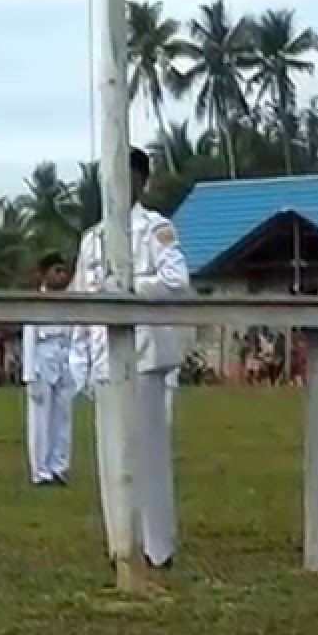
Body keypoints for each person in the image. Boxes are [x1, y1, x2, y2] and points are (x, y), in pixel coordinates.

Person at [69, 147, 189, 569]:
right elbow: (81, 296)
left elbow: (176, 281)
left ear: (141, 182)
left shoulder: (155, 228)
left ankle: (157, 546)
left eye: (127, 177)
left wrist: (127, 285)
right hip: (103, 354)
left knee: (148, 454)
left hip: (144, 354)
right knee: (111, 455)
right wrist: (79, 355)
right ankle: (120, 541)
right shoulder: (93, 237)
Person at [22, 252, 75, 486]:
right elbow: (29, 338)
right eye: (56, 271)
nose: (61, 276)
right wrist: (30, 374)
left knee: (62, 417)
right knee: (40, 418)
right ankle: (40, 470)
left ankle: (59, 466)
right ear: (44, 275)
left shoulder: (70, 302)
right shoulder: (35, 302)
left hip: (64, 357)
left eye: (64, 271)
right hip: (42, 358)